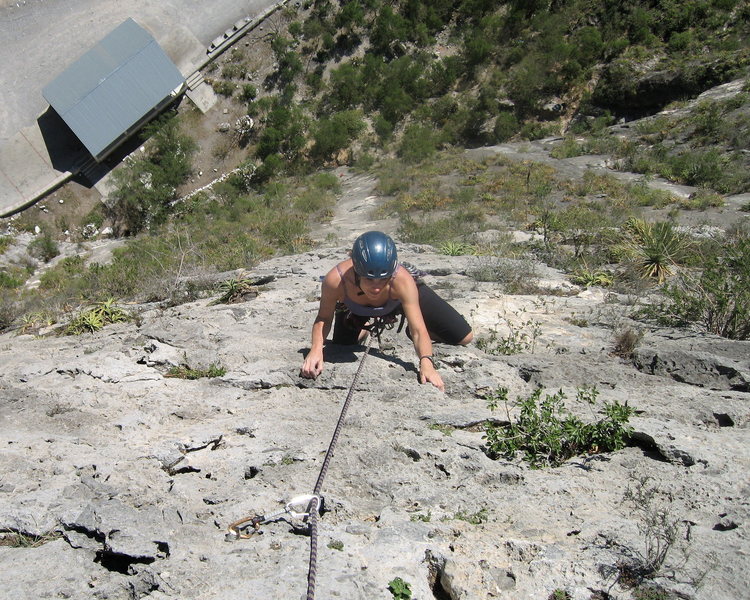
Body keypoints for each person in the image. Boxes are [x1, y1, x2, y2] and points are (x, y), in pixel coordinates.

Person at [300, 231, 473, 391]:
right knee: (343, 345)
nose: (376, 287)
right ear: (356, 271)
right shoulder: (336, 281)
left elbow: (418, 329)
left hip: (397, 300)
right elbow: (323, 317)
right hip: (354, 307)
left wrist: (426, 362)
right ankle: (363, 326)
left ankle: (418, 331)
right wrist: (316, 350)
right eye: (369, 279)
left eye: (383, 279)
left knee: (464, 337)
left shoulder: (402, 280)